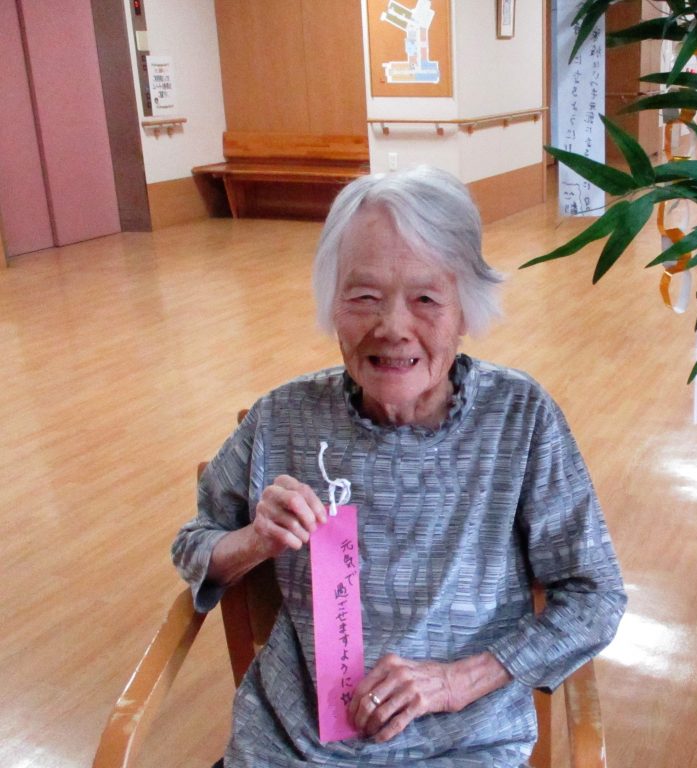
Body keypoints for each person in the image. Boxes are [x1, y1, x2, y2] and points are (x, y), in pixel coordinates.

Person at [172, 166, 627, 767]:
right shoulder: (283, 418)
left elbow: (594, 597)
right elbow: (194, 545)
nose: (392, 327)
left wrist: (458, 681)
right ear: (332, 304)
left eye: (426, 299)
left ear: (465, 308)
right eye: (363, 297)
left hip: (463, 749)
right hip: (291, 750)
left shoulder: (519, 420)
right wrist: (256, 540)